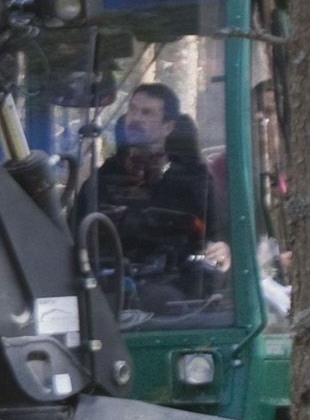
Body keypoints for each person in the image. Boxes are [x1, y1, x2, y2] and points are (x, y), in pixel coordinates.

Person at [84, 82, 226, 306]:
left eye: (147, 113)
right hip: (105, 285)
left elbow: (218, 236)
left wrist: (222, 249)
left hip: (172, 287)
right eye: (132, 110)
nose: (135, 118)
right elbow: (73, 231)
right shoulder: (106, 176)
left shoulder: (193, 179)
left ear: (168, 127)